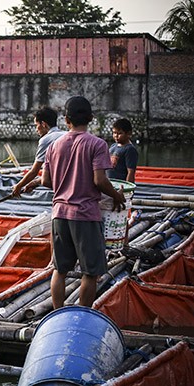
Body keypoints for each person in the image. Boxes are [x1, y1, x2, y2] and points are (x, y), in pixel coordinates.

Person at [41, 96, 126, 309]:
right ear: (90, 118)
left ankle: (58, 313)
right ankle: (83, 314)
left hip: (59, 214)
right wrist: (116, 195)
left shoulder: (54, 145)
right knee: (91, 272)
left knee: (59, 270)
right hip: (85, 215)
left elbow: (45, 181)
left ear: (66, 120)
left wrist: (66, 185)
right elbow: (100, 181)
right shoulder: (97, 144)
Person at [11, 106, 66, 197]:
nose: (36, 129)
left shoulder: (46, 140)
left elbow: (34, 171)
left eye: (37, 125)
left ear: (43, 124)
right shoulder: (67, 134)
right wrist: (36, 182)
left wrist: (19, 186)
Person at [107, 118, 138, 183]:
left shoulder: (130, 149)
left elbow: (130, 172)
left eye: (119, 133)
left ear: (128, 134)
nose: (116, 136)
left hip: (120, 184)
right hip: (110, 183)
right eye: (114, 133)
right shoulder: (113, 146)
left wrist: (128, 189)